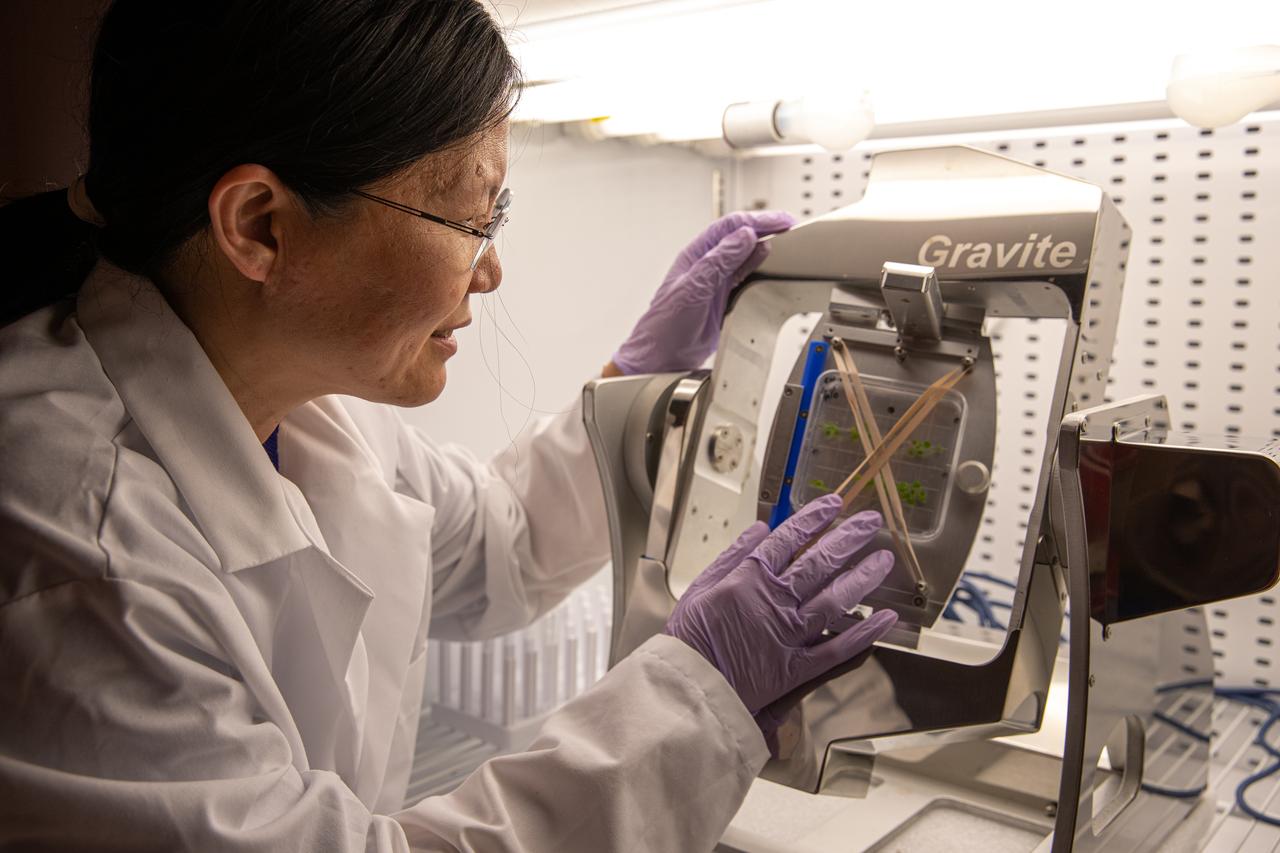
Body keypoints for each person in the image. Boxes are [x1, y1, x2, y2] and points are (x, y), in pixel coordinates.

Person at [0, 2, 898, 850]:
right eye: (474, 217)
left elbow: (495, 550)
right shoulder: (75, 554)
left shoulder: (306, 406)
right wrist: (700, 695)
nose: (490, 270)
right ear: (260, 226)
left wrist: (638, 379)